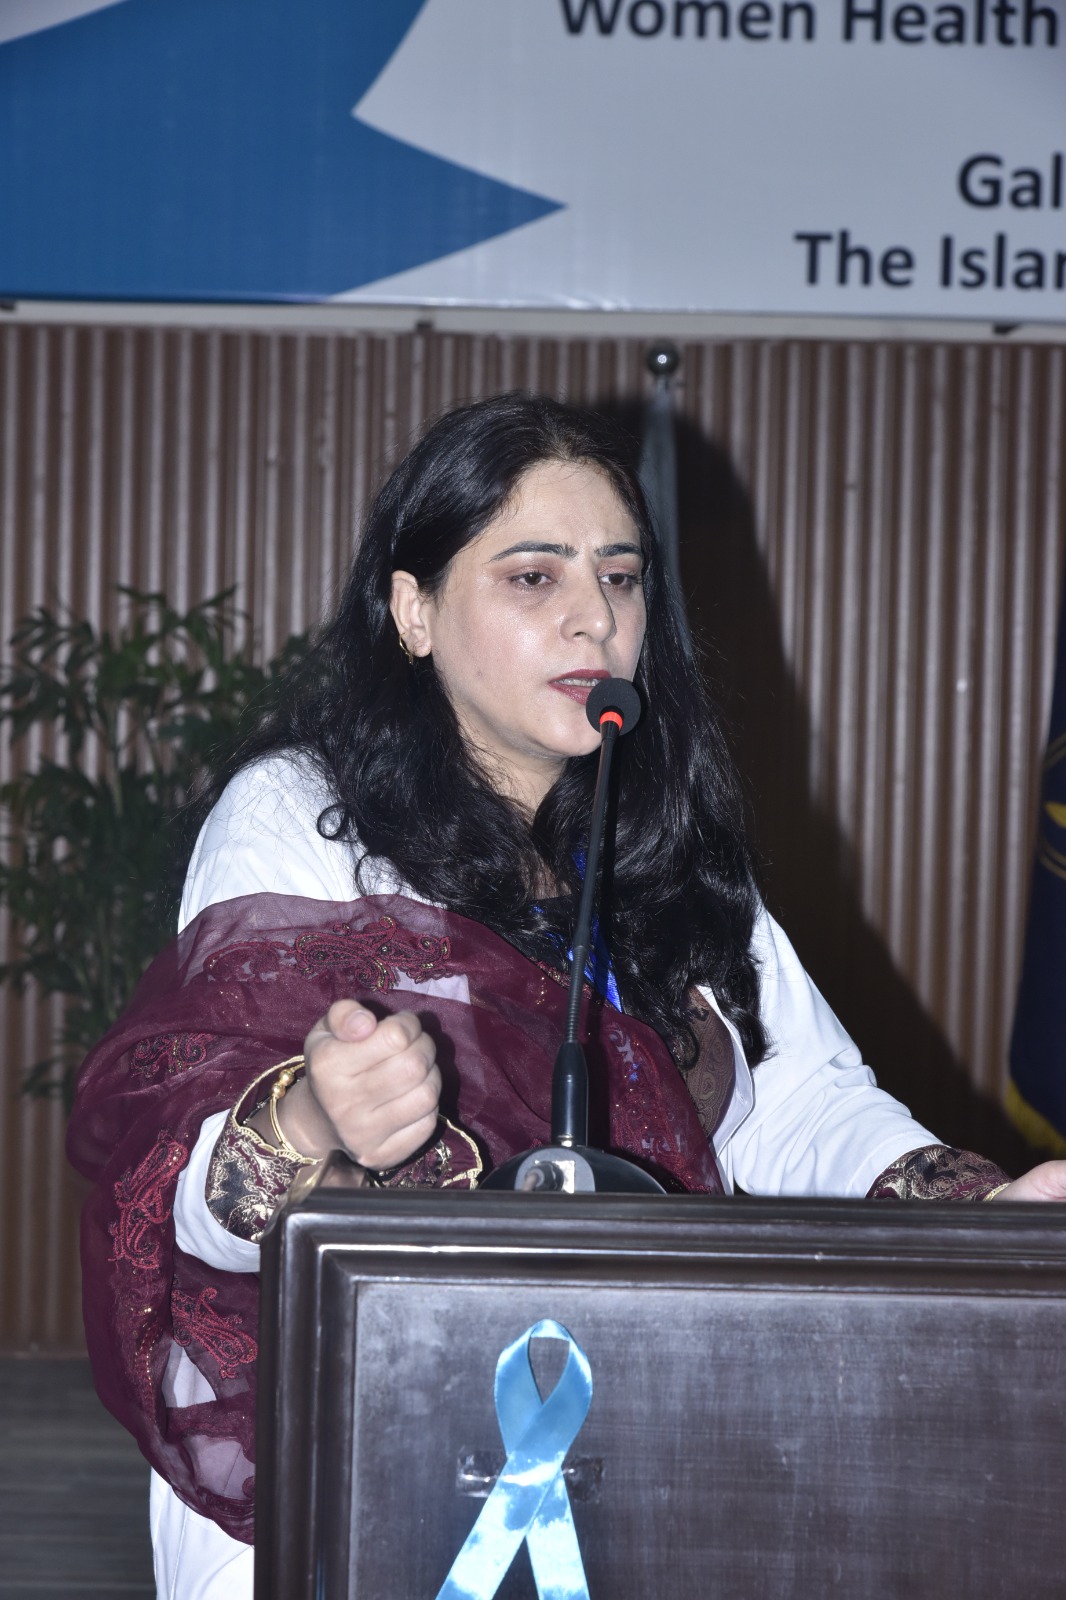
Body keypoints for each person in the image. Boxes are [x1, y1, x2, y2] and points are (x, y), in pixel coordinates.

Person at [67, 392, 1066, 1600]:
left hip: (640, 1410)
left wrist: (983, 1209)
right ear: (414, 610)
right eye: (534, 577)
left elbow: (799, 1101)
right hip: (356, 1419)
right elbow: (180, 1183)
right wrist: (312, 1120)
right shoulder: (304, 812)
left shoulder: (664, 840)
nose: (595, 615)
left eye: (621, 577)